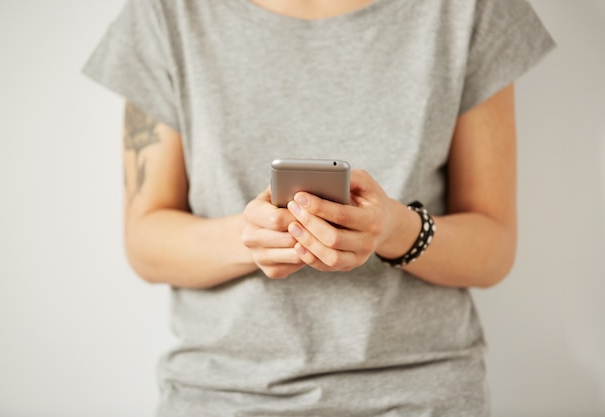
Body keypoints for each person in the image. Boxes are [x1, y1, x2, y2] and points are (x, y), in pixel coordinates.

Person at [84, 0, 554, 415]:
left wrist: (393, 229)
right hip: (223, 395)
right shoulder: (167, 14)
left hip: (420, 395)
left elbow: (494, 247)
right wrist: (250, 239)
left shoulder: (471, 8)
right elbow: (146, 240)